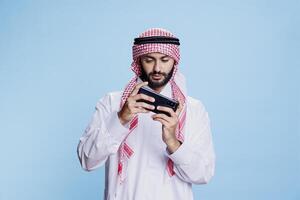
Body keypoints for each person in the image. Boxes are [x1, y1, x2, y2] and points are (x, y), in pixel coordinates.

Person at [77, 28, 215, 200]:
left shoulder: (193, 109)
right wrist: (121, 118)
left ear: (174, 61)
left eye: (165, 60)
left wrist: (173, 141)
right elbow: (87, 160)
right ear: (138, 61)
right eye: (149, 60)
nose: (157, 68)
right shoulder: (111, 102)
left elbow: (203, 174)